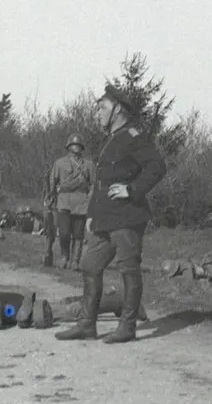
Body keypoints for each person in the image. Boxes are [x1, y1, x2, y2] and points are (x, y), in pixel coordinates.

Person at [55, 85, 167, 344]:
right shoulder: (112, 140)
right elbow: (101, 183)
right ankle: (86, 324)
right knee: (89, 265)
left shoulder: (133, 137)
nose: (98, 113)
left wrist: (133, 189)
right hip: (105, 216)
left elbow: (157, 166)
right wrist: (92, 214)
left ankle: (127, 326)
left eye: (102, 108)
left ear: (119, 111)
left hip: (127, 216)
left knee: (128, 269)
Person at [47, 134, 96, 270]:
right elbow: (52, 181)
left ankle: (75, 261)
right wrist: (51, 195)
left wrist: (90, 198)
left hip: (81, 203)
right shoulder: (59, 163)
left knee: (78, 234)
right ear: (68, 147)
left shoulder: (88, 165)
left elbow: (93, 184)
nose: (76, 147)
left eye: (79, 145)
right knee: (63, 233)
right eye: (74, 145)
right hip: (64, 201)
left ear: (82, 148)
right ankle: (65, 257)